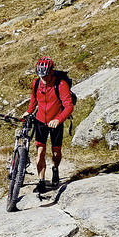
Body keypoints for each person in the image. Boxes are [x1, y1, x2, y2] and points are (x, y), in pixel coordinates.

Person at [24, 56, 73, 193]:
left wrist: (59, 119)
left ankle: (55, 168)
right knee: (40, 152)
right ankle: (41, 181)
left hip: (56, 122)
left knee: (56, 151)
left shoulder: (61, 84)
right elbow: (34, 99)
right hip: (40, 121)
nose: (43, 79)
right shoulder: (36, 83)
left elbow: (69, 106)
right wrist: (28, 112)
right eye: (41, 76)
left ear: (51, 71)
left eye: (45, 76)